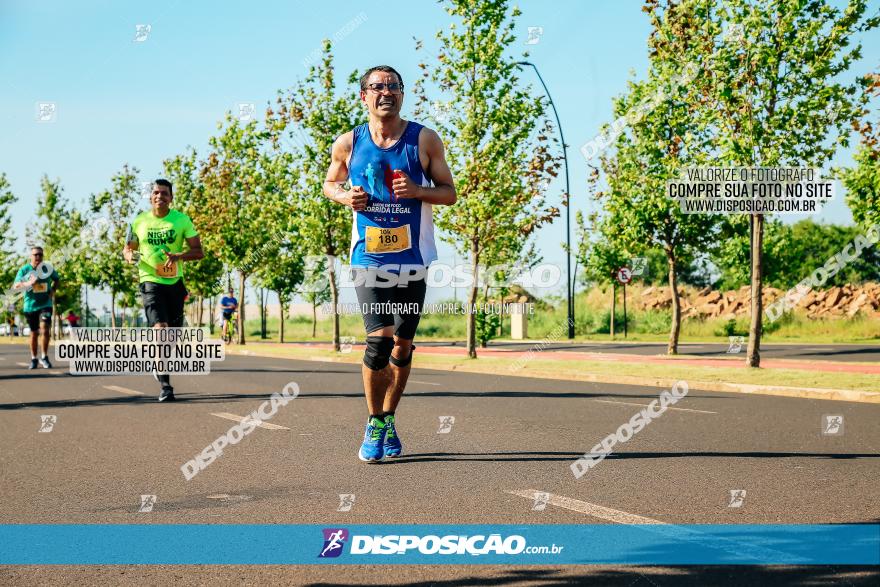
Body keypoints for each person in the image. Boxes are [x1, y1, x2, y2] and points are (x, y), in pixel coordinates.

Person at [323, 65, 456, 462]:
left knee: (403, 342)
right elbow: (329, 184)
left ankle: (389, 417)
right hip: (368, 257)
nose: (386, 93)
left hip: (413, 258)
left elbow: (449, 193)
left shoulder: (424, 140)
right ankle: (373, 420)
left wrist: (417, 190)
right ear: (364, 96)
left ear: (402, 94)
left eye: (393, 87)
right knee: (378, 339)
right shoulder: (347, 143)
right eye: (377, 87)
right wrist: (345, 197)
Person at [123, 179, 204, 402]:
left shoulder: (181, 220)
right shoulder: (139, 221)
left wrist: (179, 256)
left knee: (172, 337)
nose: (160, 196)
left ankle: (158, 364)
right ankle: (166, 385)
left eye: (165, 194)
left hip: (175, 283)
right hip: (150, 281)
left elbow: (198, 251)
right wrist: (130, 256)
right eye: (156, 193)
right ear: (150, 197)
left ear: (171, 198)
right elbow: (128, 249)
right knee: (161, 330)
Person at [12, 246, 60, 369]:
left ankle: (44, 357)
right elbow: (16, 286)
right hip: (30, 306)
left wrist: (53, 290)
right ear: (31, 256)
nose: (38, 257)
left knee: (45, 329)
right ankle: (34, 358)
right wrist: (29, 283)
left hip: (45, 304)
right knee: (34, 333)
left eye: (40, 255)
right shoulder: (24, 270)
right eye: (35, 255)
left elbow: (57, 279)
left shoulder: (47, 268)